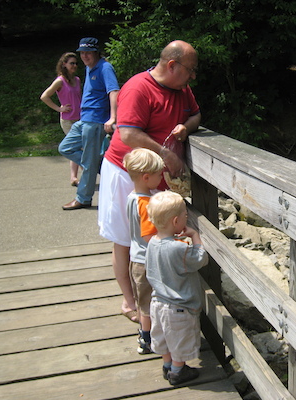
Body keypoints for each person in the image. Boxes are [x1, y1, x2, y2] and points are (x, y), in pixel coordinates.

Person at [98, 40, 201, 322]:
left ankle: (154, 297)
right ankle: (130, 303)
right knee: (124, 238)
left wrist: (186, 126)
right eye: (190, 69)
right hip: (125, 172)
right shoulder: (138, 88)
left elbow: (196, 114)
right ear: (172, 65)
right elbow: (128, 134)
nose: (193, 76)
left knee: (155, 237)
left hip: (157, 176)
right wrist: (166, 153)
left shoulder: (182, 90)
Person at [145, 190, 208, 386]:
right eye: (185, 217)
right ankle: (178, 371)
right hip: (178, 306)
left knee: (163, 337)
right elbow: (200, 259)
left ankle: (167, 366)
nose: (186, 219)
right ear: (175, 222)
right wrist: (195, 236)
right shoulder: (178, 248)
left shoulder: (151, 243)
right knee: (179, 340)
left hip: (157, 302)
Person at [59, 37, 119, 210]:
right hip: (84, 119)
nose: (84, 56)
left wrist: (112, 117)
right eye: (82, 53)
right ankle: (100, 167)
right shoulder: (89, 68)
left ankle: (83, 198)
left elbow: (113, 91)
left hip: (96, 120)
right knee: (65, 148)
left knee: (88, 159)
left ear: (96, 52)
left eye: (88, 52)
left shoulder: (105, 68)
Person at [123, 148, 165, 353]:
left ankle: (145, 334)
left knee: (143, 301)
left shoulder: (133, 196)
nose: (162, 177)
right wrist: (171, 240)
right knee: (148, 303)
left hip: (136, 258)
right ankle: (147, 339)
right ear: (146, 177)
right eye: (159, 175)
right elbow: (149, 237)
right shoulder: (145, 203)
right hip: (146, 260)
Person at [40, 52, 82, 186]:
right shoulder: (60, 81)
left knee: (80, 147)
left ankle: (75, 177)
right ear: (64, 64)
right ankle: (77, 176)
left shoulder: (77, 80)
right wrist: (59, 108)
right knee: (76, 147)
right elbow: (44, 96)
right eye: (71, 63)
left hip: (80, 118)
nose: (74, 66)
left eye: (76, 63)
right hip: (68, 120)